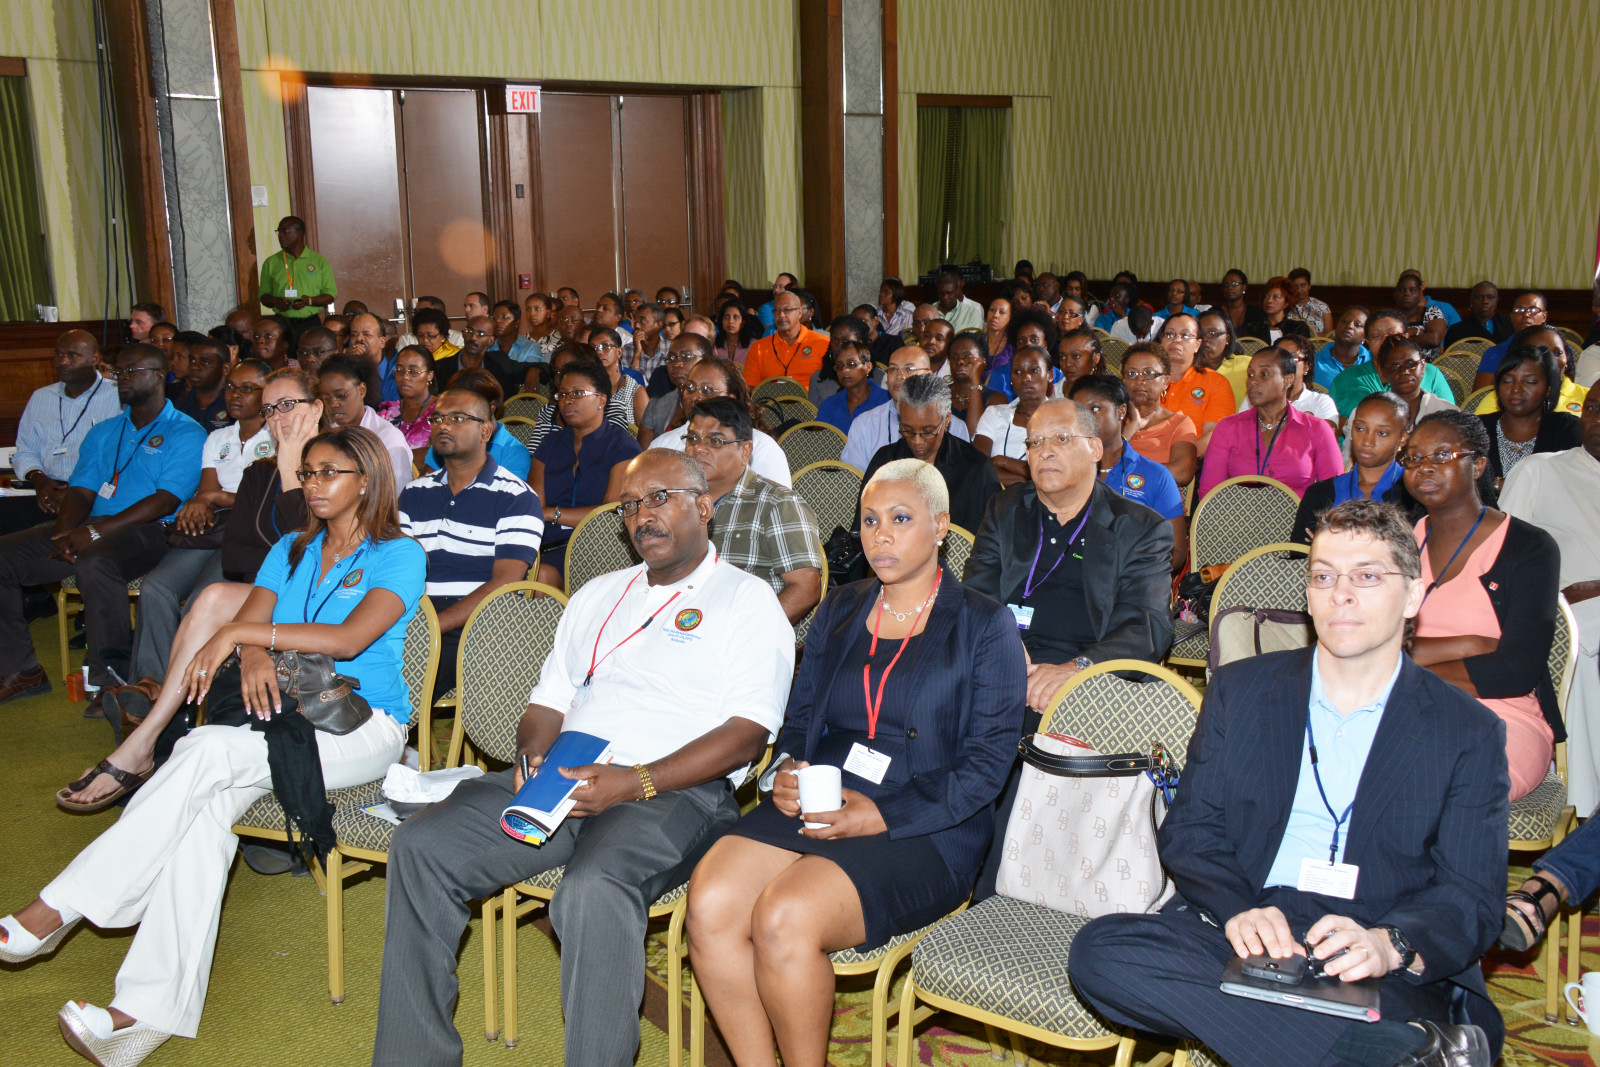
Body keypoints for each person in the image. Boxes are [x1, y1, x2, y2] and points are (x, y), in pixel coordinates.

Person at [1, 426, 423, 1063]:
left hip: (362, 726)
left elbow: (347, 640)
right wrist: (247, 646)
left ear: (366, 481)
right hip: (283, 714)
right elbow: (252, 620)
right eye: (307, 472)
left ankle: (56, 908)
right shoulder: (293, 547)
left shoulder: (399, 554)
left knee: (204, 751)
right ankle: (141, 1015)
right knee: (204, 813)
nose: (313, 485)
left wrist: (242, 638)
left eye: (329, 472)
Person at [372, 448, 793, 1066]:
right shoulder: (597, 593)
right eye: (630, 505)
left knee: (592, 890)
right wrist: (532, 753)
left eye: (660, 498)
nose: (642, 516)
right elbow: (548, 703)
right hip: (563, 777)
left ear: (705, 507)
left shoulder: (747, 600)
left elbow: (747, 735)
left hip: (673, 790)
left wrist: (634, 781)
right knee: (421, 847)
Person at [1069, 498, 1511, 1067]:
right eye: (1324, 577)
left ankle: (1349, 1042)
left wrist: (1390, 944)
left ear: (1412, 596)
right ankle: (1399, 1055)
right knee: (1101, 952)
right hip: (1253, 919)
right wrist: (1238, 910)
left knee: (1345, 1003)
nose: (1340, 594)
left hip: (1373, 940)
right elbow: (1192, 831)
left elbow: (1472, 894)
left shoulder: (1467, 730)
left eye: (1367, 577)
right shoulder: (1241, 690)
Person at [686, 456, 1024, 1066]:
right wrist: (785, 770)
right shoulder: (841, 606)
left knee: (784, 916)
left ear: (940, 526)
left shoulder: (984, 624)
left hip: (926, 822)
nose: (881, 535)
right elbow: (799, 718)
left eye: (901, 518)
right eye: (869, 520)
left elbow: (986, 768)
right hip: (823, 794)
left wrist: (881, 814)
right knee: (710, 900)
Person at [54, 370, 321, 814]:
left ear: (317, 409)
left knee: (212, 598)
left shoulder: (341, 464)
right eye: (270, 409)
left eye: (288, 405)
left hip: (325, 596)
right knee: (207, 595)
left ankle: (149, 736)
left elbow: (310, 555)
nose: (278, 418)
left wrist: (294, 467)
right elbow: (237, 554)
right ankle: (149, 739)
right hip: (267, 594)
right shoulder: (259, 474)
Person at [0, 344, 206, 703]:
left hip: (153, 530)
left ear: (159, 376)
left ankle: (111, 680)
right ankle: (22, 670)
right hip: (93, 525)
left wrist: (94, 532)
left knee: (96, 561)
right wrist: (65, 532)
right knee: (3, 555)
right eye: (118, 372)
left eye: (131, 371)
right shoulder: (105, 431)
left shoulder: (186, 432)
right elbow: (81, 491)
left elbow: (165, 500)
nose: (121, 379)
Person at [966, 397, 1176, 712]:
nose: (1045, 451)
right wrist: (1001, 645)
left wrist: (1078, 669)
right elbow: (975, 595)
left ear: (1095, 448)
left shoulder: (1139, 528)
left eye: (1062, 439)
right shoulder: (1005, 509)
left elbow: (1146, 627)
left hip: (1091, 679)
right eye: (1035, 442)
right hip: (1004, 664)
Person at [103, 359, 276, 729]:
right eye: (232, 387)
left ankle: (181, 694)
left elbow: (260, 501)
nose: (235, 395)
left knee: (202, 599)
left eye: (248, 388)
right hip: (212, 528)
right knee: (156, 587)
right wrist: (204, 501)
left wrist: (214, 498)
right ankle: (150, 683)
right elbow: (208, 492)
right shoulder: (217, 438)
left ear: (268, 395)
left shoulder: (279, 438)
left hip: (250, 535)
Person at [1402, 411, 1560, 801]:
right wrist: (1470, 644)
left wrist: (1401, 670)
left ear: (1478, 466)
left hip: (1500, 713)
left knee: (1447, 779)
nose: (1424, 466)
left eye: (1442, 455)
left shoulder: (1529, 547)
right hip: (1403, 707)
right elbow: (1367, 645)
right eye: (1414, 457)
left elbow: (1516, 670)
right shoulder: (1397, 544)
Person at [399, 386, 542, 703]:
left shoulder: (516, 497)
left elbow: (505, 583)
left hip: (477, 624)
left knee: (394, 680)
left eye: (458, 418)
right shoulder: (413, 493)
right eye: (437, 418)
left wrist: (433, 626)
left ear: (486, 431)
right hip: (415, 614)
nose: (443, 425)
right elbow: (398, 570)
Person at [1498, 388, 1600, 817]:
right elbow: (1500, 563)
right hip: (1567, 617)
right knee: (1576, 642)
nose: (1598, 419)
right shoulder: (1540, 470)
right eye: (1593, 408)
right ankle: (1583, 810)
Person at [684, 397, 822, 623]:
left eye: (715, 441)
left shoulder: (777, 503)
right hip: (683, 626)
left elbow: (806, 587)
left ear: (745, 451)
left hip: (747, 628)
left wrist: (752, 631)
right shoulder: (677, 501)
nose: (698, 448)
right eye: (692, 438)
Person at [530, 357, 642, 584]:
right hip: (546, 546)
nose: (567, 400)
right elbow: (534, 507)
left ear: (602, 399)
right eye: (562, 394)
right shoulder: (549, 444)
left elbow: (609, 512)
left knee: (542, 575)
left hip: (600, 549)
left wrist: (553, 514)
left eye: (577, 393)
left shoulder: (622, 447)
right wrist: (546, 515)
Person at [7, 329, 121, 537]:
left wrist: (77, 491)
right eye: (59, 355)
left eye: (72, 355)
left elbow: (120, 456)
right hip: (46, 489)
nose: (63, 362)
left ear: (94, 358)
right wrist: (40, 480)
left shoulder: (117, 396)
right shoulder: (41, 397)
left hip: (95, 493)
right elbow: (24, 451)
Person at [1070, 375, 1187, 571]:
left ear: (1121, 411)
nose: (1085, 420)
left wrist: (1134, 573)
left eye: (1095, 409)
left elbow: (1176, 552)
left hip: (1131, 579)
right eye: (1079, 412)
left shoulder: (1155, 475)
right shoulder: (1064, 472)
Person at [859, 374, 999, 534]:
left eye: (927, 432)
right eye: (908, 430)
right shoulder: (885, 461)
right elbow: (863, 528)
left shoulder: (975, 468)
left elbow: (992, 537)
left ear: (947, 419)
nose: (917, 441)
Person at [1198, 347, 1342, 499]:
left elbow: (1334, 492)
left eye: (1264, 374)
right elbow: (1209, 492)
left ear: (1288, 380)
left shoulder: (1316, 429)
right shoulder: (1228, 428)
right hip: (1239, 513)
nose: (1253, 381)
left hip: (1300, 513)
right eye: (1250, 374)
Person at [651, 357, 793, 486]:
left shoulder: (762, 448)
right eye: (690, 388)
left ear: (731, 398)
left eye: (708, 390)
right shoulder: (662, 445)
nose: (695, 397)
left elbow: (779, 501)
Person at [1293, 391, 1410, 544]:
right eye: (1360, 429)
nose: (1367, 441)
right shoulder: (1320, 494)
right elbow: (1299, 552)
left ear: (1403, 439)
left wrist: (1330, 547)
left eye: (1382, 433)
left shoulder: (1414, 495)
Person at [841, 346, 973, 470]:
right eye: (893, 369)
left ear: (928, 375)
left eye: (909, 369)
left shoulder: (955, 426)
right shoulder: (864, 424)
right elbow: (854, 479)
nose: (899, 376)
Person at [1476, 339, 1583, 489]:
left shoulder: (1567, 429)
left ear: (1548, 389)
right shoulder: (1476, 429)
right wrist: (1497, 485)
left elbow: (1572, 485)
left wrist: (1508, 486)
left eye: (1530, 382)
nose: (1516, 389)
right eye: (1507, 381)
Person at [1331, 308, 1455, 420]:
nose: (1385, 340)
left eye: (1393, 335)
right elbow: (1332, 423)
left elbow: (1450, 421)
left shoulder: (1431, 373)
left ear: (1406, 336)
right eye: (1376, 336)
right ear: (1367, 341)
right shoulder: (1346, 378)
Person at [315, 357, 413, 488]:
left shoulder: (387, 438)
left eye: (341, 395)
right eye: (326, 398)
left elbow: (398, 492)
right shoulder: (327, 437)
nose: (333, 404)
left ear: (361, 390)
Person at [975, 345, 1053, 488]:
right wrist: (1028, 481)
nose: (1026, 378)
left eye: (1034, 371)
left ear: (1050, 375)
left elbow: (1053, 474)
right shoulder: (994, 414)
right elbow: (978, 467)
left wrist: (1003, 461)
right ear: (1011, 378)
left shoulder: (1061, 420)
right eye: (1017, 371)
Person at [1122, 343, 1200, 488]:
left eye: (1148, 373)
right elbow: (1097, 466)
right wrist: (1129, 430)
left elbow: (1182, 472)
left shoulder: (1180, 424)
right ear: (1124, 381)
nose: (1139, 380)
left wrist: (1125, 471)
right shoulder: (1113, 419)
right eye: (1132, 374)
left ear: (1165, 382)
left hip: (1157, 500)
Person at [1160, 312, 1234, 456]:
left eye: (1185, 335)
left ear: (1197, 345)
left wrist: (1176, 461)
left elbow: (1212, 435)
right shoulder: (1146, 379)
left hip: (1191, 461)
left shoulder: (1216, 382)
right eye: (1170, 334)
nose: (1176, 340)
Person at [256, 216, 335, 338]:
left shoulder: (319, 262)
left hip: (310, 323)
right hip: (281, 324)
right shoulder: (271, 263)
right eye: (279, 231)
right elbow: (264, 296)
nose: (280, 235)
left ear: (299, 234)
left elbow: (330, 295)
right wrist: (275, 301)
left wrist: (309, 301)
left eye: (285, 231)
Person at [744, 289, 828, 389]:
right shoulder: (759, 348)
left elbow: (830, 385)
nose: (781, 315)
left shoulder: (822, 343)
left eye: (787, 310)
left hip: (810, 398)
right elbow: (751, 387)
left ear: (799, 313)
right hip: (771, 398)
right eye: (776, 310)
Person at [639, 332, 710, 444]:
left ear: (706, 360)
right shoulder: (656, 406)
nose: (676, 364)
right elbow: (644, 452)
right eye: (671, 358)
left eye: (686, 357)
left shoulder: (719, 406)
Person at [1255, 337, 1338, 432]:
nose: (1285, 364)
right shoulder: (1258, 397)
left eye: (1293, 359)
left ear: (1307, 366)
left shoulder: (1321, 402)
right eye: (1279, 358)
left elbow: (1328, 435)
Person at [1473, 292, 1552, 388]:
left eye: (1533, 310)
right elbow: (1480, 394)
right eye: (1519, 310)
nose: (1526, 314)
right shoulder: (1496, 353)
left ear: (1544, 316)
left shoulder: (1556, 351)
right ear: (1512, 317)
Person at [377, 345, 437, 467]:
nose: (404, 377)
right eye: (399, 370)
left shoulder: (441, 411)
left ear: (429, 375)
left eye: (413, 372)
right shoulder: (385, 411)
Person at [815, 338, 890, 434]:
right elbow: (818, 440)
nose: (845, 370)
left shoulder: (886, 401)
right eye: (839, 366)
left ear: (868, 367)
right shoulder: (830, 404)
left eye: (852, 364)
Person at [586, 326, 650, 429]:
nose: (599, 352)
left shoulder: (635, 391)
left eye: (605, 346)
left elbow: (646, 434)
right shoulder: (585, 387)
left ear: (619, 352)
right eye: (593, 348)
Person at [946, 332, 1005, 438]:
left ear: (983, 362)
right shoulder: (939, 394)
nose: (960, 361)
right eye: (954, 358)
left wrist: (975, 382)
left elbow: (973, 438)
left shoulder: (996, 400)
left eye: (967, 356)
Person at [173, 338, 231, 432]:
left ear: (225, 369)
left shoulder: (234, 404)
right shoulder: (179, 406)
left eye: (205, 362)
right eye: (192, 361)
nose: (195, 367)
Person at [1243, 277, 1313, 346]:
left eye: (1276, 297)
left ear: (1286, 303)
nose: (1269, 301)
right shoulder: (1253, 327)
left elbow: (1303, 350)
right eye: (1266, 296)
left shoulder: (1297, 327)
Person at [347, 312, 399, 404]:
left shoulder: (396, 376)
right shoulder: (345, 372)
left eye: (366, 334)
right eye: (354, 334)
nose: (359, 338)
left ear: (382, 342)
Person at [1314, 306, 1371, 390]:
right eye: (1345, 321)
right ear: (1336, 327)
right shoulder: (1314, 361)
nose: (1349, 326)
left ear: (1365, 337)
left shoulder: (1374, 363)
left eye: (1358, 325)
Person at [1444, 282, 1513, 349]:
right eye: (1479, 297)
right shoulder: (1457, 330)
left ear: (1497, 300)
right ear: (1471, 300)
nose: (1485, 301)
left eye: (1490, 297)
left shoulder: (1510, 323)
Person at [1394, 270, 1447, 356]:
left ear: (1420, 293)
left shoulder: (1431, 311)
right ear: (1396, 293)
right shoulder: (1390, 316)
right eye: (1402, 290)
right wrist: (1419, 332)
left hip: (1428, 363)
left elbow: (1434, 339)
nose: (1407, 294)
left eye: (1412, 290)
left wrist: (1404, 338)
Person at [1215, 268, 1269, 340]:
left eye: (1235, 284)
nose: (1230, 287)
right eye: (1226, 284)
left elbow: (1265, 342)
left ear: (1244, 287)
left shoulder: (1257, 314)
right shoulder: (1214, 312)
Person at [396, 296, 464, 352]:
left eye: (431, 336)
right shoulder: (407, 340)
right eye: (420, 335)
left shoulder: (458, 339)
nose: (425, 340)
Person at [623, 302, 670, 381]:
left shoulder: (670, 349)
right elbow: (629, 384)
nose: (636, 325)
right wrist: (637, 354)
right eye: (635, 320)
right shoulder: (627, 349)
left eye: (642, 321)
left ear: (659, 325)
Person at [488, 299, 542, 366]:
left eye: (504, 317)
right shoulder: (488, 348)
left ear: (517, 322)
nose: (498, 320)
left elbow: (530, 371)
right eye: (495, 317)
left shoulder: (531, 348)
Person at [1287, 268, 1333, 335]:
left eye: (1303, 285)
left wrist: (1311, 337)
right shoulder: (1285, 306)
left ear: (1309, 286)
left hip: (1318, 341)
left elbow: (1329, 333)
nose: (1299, 289)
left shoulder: (1322, 306)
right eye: (1295, 286)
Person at [715, 299, 756, 366]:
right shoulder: (714, 344)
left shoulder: (754, 345)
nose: (730, 321)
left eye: (736, 317)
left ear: (743, 322)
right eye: (727, 316)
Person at [984, 295, 1015, 371]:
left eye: (1002, 312)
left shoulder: (1012, 345)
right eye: (992, 310)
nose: (995, 315)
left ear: (1010, 318)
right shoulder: (977, 342)